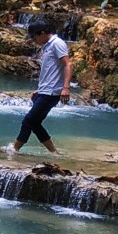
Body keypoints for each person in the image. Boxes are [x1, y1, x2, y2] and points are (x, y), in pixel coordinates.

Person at [9, 16, 72, 152]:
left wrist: (66, 88)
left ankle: (14, 148)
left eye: (34, 37)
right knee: (35, 123)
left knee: (29, 120)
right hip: (45, 91)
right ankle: (54, 152)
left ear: (42, 33)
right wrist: (39, 90)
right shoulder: (49, 45)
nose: (34, 41)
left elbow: (67, 65)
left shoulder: (57, 44)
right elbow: (51, 71)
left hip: (51, 92)